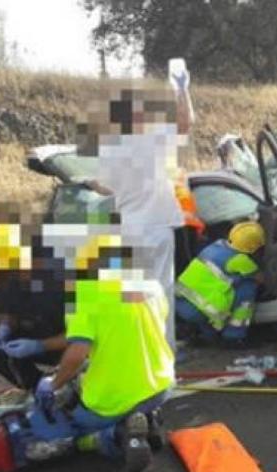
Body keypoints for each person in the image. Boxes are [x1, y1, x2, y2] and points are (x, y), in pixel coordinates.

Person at [27, 245, 175, 472]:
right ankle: (148, 417)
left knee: (68, 424)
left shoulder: (88, 296)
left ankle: (118, 435)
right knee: (97, 383)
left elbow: (77, 353)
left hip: (115, 399)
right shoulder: (151, 286)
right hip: (162, 384)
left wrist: (53, 384)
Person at [80, 58, 196, 350]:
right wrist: (182, 89)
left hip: (129, 230)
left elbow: (105, 187)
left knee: (136, 297)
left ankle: (141, 353)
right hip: (156, 228)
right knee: (161, 295)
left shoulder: (109, 149)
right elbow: (185, 123)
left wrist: (88, 183)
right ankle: (163, 356)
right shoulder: (153, 140)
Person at [0, 214, 66, 390]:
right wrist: (6, 327)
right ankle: (35, 390)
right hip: (42, 337)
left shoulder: (60, 277)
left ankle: (63, 386)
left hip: (74, 344)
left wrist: (39, 346)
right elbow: (10, 310)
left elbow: (84, 337)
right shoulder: (7, 279)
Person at [175, 221, 265, 345]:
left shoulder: (214, 246)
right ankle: (234, 336)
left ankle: (207, 335)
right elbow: (261, 279)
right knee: (248, 287)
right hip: (199, 310)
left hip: (180, 301)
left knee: (212, 287)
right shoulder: (240, 260)